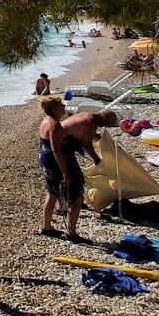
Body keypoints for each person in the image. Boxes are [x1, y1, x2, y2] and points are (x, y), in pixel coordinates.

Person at [37, 100, 115, 241]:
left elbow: (81, 134)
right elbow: (57, 150)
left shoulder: (47, 121)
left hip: (45, 160)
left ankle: (46, 228)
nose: (64, 107)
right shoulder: (55, 126)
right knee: (76, 196)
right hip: (58, 162)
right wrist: (66, 173)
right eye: (61, 105)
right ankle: (71, 233)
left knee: (52, 192)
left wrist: (95, 137)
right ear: (55, 108)